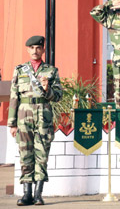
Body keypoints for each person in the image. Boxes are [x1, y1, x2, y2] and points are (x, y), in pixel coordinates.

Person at [8, 36, 62, 206]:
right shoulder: (20, 70)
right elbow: (13, 97)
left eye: (38, 48)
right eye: (31, 48)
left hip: (43, 116)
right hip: (24, 116)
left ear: (43, 49)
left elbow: (58, 96)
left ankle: (38, 195)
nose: (35, 51)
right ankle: (26, 194)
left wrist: (47, 89)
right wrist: (13, 123)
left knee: (42, 155)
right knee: (25, 155)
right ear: (27, 50)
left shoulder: (51, 71)